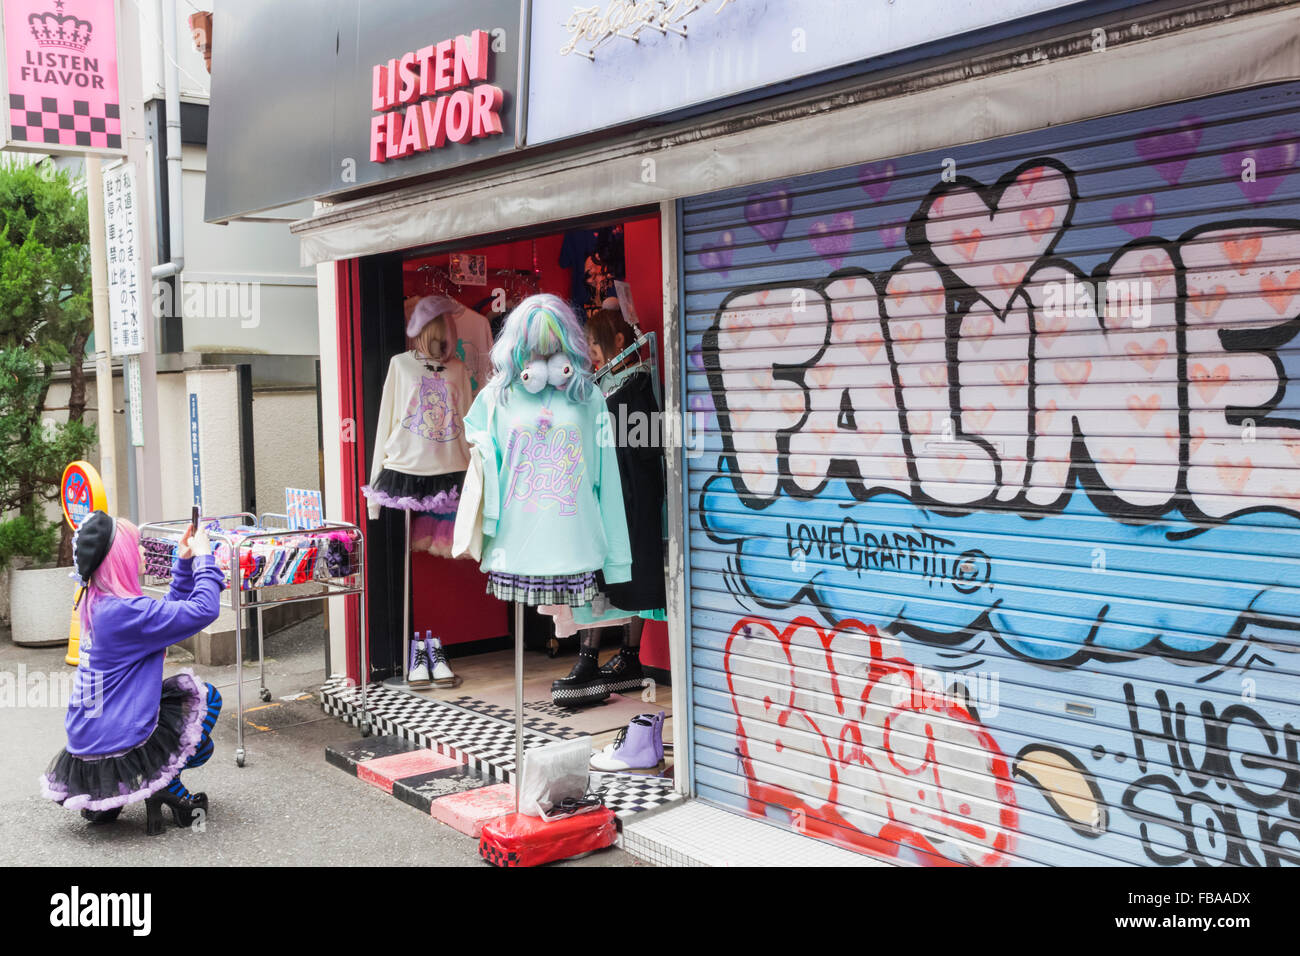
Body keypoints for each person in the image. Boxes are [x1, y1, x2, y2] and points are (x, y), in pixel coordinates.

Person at [39, 512, 226, 835]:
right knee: (206, 698)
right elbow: (203, 610)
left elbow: (165, 617)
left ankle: (109, 796)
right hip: (119, 735)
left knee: (174, 712)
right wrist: (204, 558)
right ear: (120, 558)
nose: (142, 552)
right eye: (136, 547)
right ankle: (165, 784)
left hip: (88, 737)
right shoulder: (127, 612)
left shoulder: (99, 603)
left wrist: (182, 565)